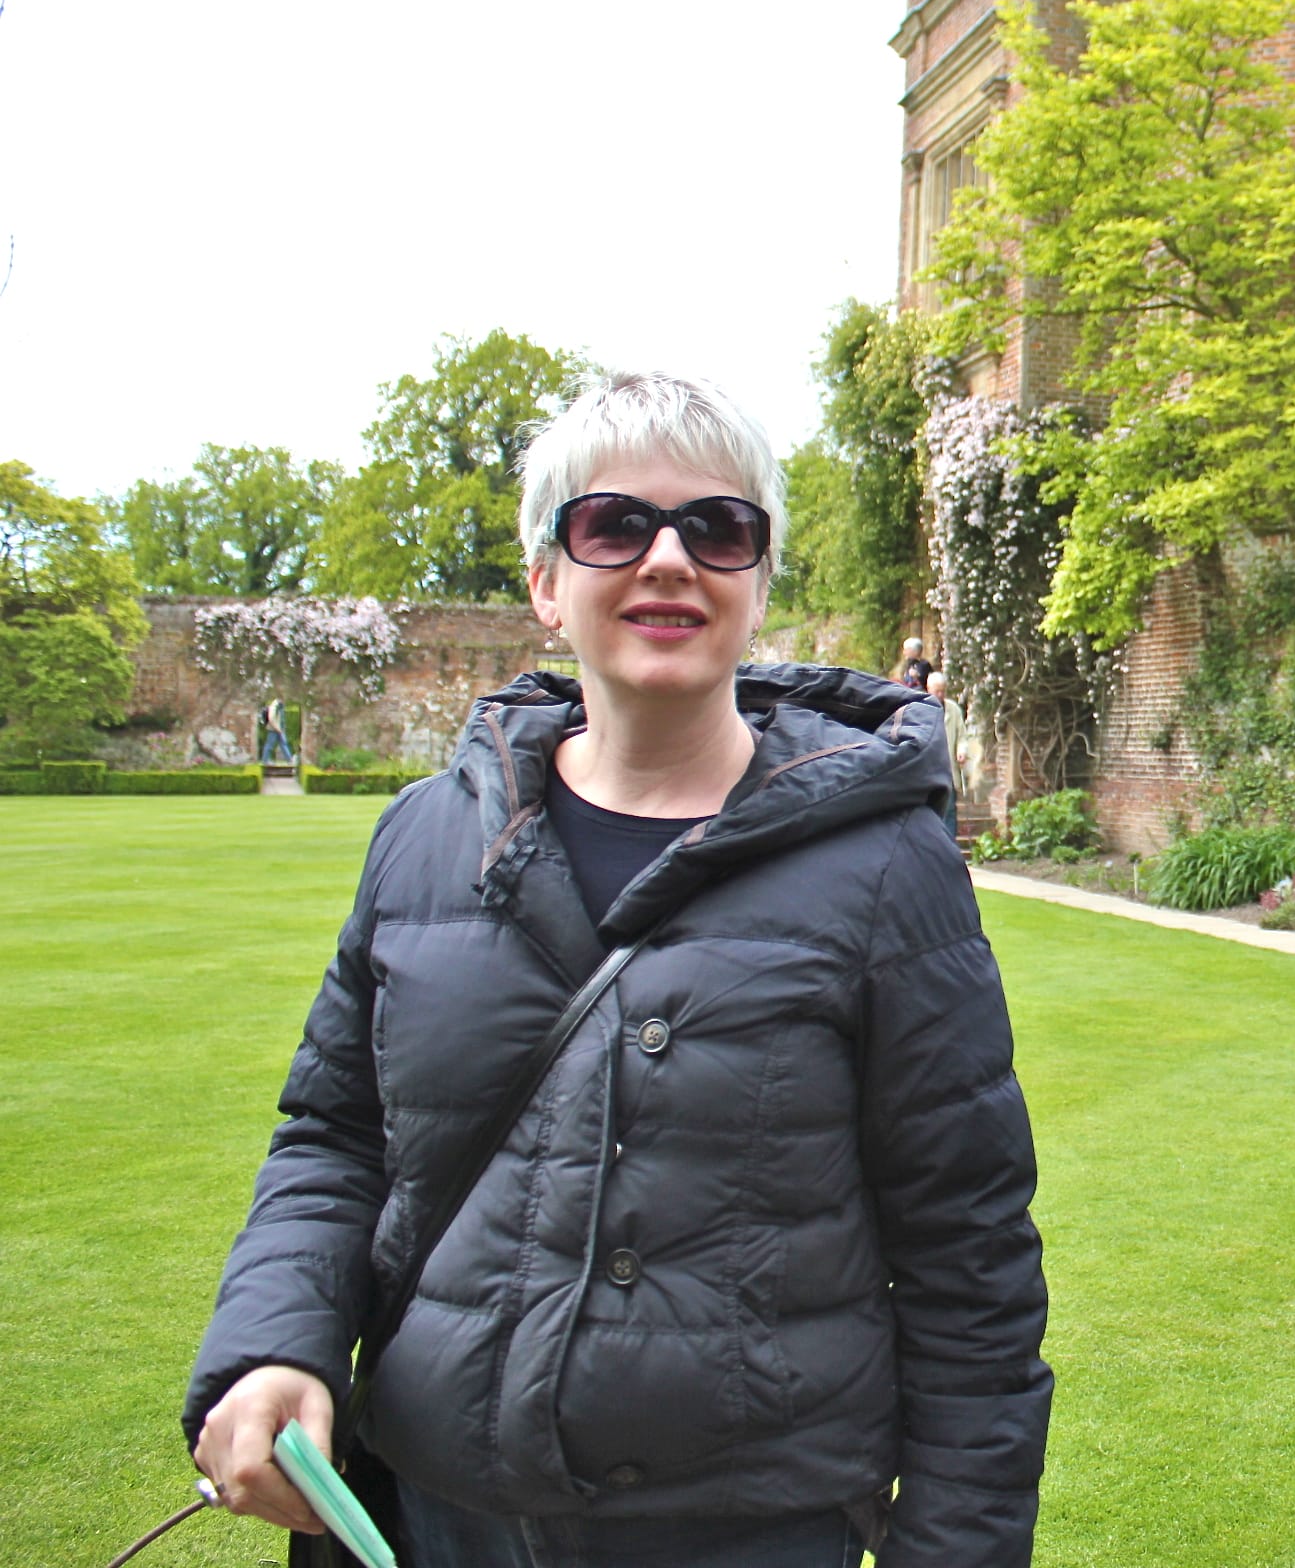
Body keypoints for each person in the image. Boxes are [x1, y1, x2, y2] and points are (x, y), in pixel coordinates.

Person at [183, 371, 1051, 1568]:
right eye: (613, 524)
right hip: (437, 1519)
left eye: (719, 528)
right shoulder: (425, 839)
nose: (669, 559)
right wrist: (273, 1345)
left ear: (759, 582)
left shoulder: (885, 867)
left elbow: (969, 1257)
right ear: (546, 581)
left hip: (746, 1537)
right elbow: (337, 1140)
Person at [926, 669, 968, 844]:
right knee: (931, 811)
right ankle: (934, 846)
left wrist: (962, 750)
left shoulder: (954, 710)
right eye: (937, 691)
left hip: (949, 769)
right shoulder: (922, 709)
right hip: (929, 771)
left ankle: (950, 846)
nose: (940, 695)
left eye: (943, 691)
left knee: (950, 809)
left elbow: (962, 736)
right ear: (928, 689)